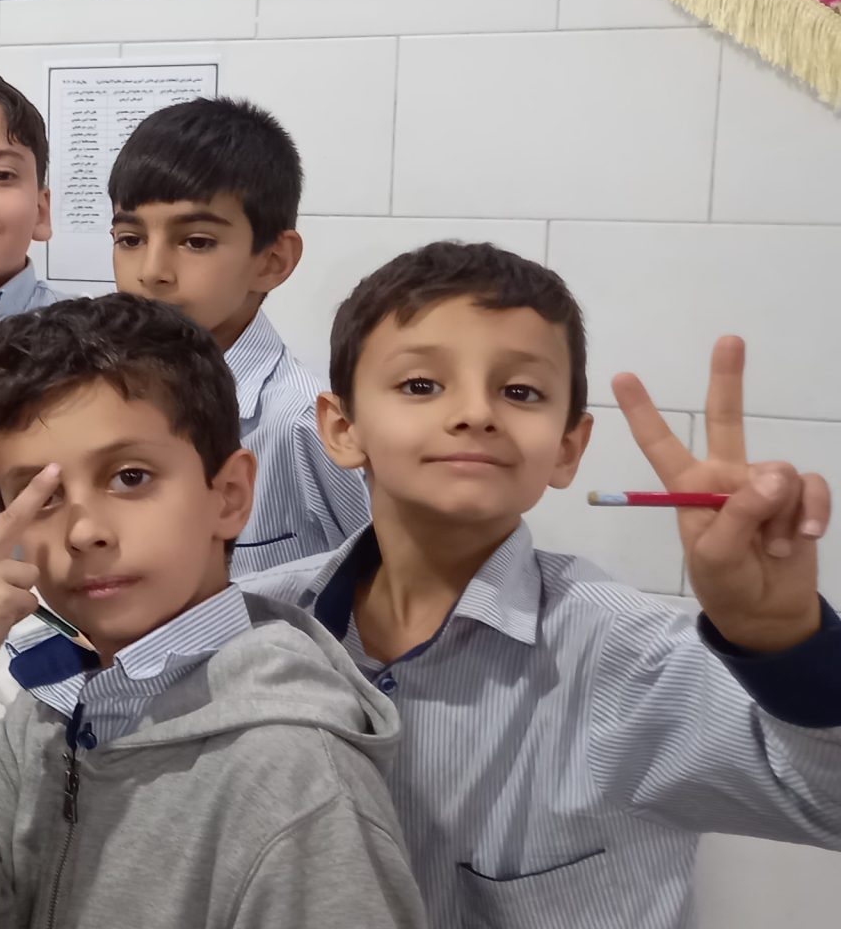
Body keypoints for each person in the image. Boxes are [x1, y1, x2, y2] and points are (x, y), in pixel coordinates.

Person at [228, 241, 841, 928]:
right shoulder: (255, 626)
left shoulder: (625, 656)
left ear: (568, 448)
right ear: (343, 429)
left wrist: (781, 637)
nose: (475, 413)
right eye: (421, 384)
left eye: (520, 392)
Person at [0, 293, 423, 928]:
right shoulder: (46, 712)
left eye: (130, 477)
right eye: (42, 496)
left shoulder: (297, 778)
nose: (84, 532)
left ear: (229, 495)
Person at [107, 97, 367, 574]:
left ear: (272, 261)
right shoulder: (115, 400)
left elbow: (388, 580)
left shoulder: (302, 425)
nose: (152, 271)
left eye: (196, 242)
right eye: (130, 239)